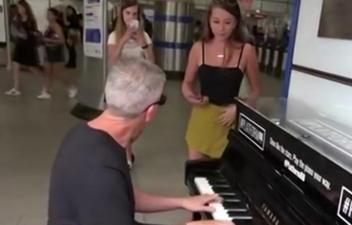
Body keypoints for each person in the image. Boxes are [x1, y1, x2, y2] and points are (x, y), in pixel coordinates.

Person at [47, 58, 231, 225]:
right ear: (150, 111)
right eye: (162, 100)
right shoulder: (101, 168)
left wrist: (182, 202)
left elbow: (123, 195)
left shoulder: (84, 134)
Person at [182, 0, 261, 160]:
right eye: (216, 22)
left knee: (224, 178)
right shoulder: (199, 48)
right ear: (209, 21)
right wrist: (191, 96)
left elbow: (256, 90)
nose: (221, 28)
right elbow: (187, 83)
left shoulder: (246, 51)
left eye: (227, 22)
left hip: (229, 121)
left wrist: (239, 109)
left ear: (236, 23)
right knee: (197, 176)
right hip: (201, 119)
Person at [5, 0, 45, 97]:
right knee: (16, 65)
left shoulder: (30, 19)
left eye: (21, 7)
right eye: (18, 8)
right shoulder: (17, 18)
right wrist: (18, 33)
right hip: (20, 45)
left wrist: (25, 35)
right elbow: (14, 30)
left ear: (25, 8)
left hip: (28, 46)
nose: (19, 10)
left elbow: (33, 33)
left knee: (32, 67)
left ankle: (45, 87)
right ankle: (16, 88)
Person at [39, 8, 77, 99]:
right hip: (49, 50)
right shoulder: (49, 26)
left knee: (58, 73)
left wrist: (48, 40)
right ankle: (46, 90)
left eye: (50, 14)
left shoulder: (56, 26)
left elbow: (62, 40)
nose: (48, 16)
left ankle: (71, 87)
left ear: (55, 16)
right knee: (47, 72)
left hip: (56, 51)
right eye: (47, 14)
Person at [108, 0, 155, 65]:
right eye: (128, 13)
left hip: (140, 73)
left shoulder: (144, 35)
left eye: (134, 14)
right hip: (120, 74)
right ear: (122, 14)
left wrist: (144, 44)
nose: (131, 17)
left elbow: (152, 64)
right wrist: (123, 39)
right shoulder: (113, 36)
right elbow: (111, 62)